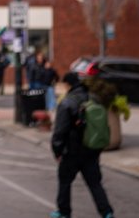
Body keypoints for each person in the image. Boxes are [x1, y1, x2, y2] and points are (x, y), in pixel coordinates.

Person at [50, 72, 114, 218]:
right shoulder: (94, 99)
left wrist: (57, 151)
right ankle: (106, 212)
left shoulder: (67, 102)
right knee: (95, 183)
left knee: (65, 182)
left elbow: (60, 131)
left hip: (72, 151)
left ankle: (64, 212)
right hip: (91, 149)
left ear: (67, 84)